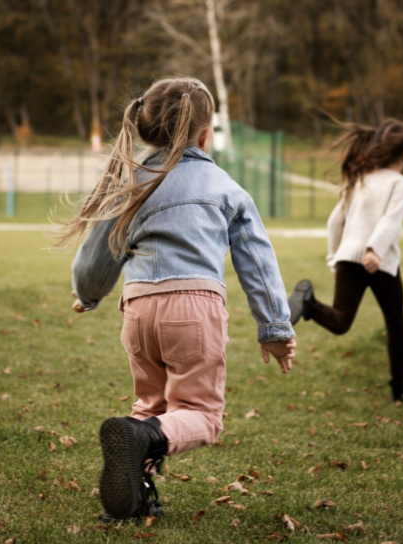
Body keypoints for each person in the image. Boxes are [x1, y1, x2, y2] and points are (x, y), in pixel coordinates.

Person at [59, 77, 297, 522]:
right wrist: (275, 329)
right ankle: (138, 447)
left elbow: (97, 254)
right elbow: (258, 265)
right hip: (194, 308)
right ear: (205, 135)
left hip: (138, 311)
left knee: (150, 412)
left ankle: (135, 498)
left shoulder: (133, 182)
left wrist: (88, 296)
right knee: (202, 416)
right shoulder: (224, 186)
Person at [288, 119, 403, 402]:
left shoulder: (361, 179)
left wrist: (334, 260)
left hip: (347, 258)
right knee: (396, 320)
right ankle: (400, 386)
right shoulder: (400, 184)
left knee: (341, 321)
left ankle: (309, 303)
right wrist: (374, 250)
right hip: (379, 261)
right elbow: (391, 221)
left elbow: (334, 221)